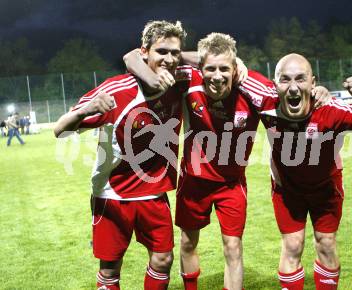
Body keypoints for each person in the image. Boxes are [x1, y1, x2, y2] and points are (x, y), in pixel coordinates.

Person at [124, 34, 331, 290]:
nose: (217, 76)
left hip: (231, 186)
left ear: (235, 69)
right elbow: (133, 57)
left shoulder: (252, 87)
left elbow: (290, 96)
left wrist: (317, 91)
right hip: (193, 181)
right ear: (201, 68)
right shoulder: (189, 78)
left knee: (233, 247)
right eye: (210, 68)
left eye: (225, 68)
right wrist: (160, 74)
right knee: (188, 243)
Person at [245, 53, 352, 290]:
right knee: (292, 245)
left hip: (325, 188)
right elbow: (227, 62)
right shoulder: (266, 101)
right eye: (285, 80)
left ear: (313, 82)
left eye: (300, 79)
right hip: (287, 190)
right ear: (274, 84)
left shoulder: (332, 110)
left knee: (326, 243)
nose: (293, 87)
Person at [54, 20, 188, 290]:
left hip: (154, 192)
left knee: (163, 260)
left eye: (176, 53)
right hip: (113, 194)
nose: (170, 59)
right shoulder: (116, 90)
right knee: (110, 268)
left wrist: (237, 64)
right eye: (162, 51)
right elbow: (60, 130)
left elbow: (215, 59)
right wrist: (86, 109)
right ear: (145, 52)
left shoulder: (179, 82)